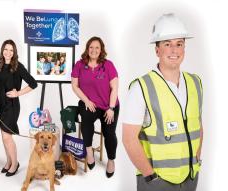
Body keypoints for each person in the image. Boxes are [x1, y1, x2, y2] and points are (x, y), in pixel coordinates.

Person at [122, 13, 203, 191]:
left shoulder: (195, 82)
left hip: (190, 177)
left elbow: (197, 125)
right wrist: (150, 176)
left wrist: (196, 159)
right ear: (157, 50)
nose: (174, 50)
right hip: (157, 182)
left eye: (179, 44)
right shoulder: (141, 87)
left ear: (184, 48)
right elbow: (129, 139)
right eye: (168, 44)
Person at [71, 36, 120, 178]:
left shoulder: (108, 65)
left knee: (109, 133)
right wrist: (86, 100)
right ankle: (89, 151)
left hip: (108, 105)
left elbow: (115, 88)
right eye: (91, 47)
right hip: (90, 103)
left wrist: (111, 108)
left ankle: (111, 160)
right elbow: (74, 85)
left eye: (97, 47)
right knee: (86, 120)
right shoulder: (80, 65)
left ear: (101, 50)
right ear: (87, 49)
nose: (94, 50)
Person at [0, 39, 37, 177]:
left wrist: (18, 93)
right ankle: (8, 161)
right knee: (3, 136)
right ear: (2, 51)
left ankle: (15, 163)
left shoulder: (17, 66)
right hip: (0, 106)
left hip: (11, 106)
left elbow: (33, 83)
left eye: (11, 50)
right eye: (5, 49)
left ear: (14, 52)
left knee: (7, 137)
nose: (8, 52)